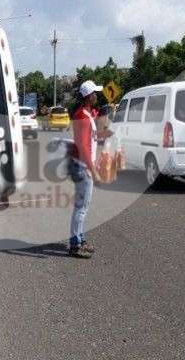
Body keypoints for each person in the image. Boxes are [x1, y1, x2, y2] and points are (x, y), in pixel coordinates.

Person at [68, 81, 113, 258]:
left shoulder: (86, 113)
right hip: (83, 167)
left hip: (84, 165)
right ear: (89, 96)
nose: (97, 96)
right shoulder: (82, 116)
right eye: (95, 93)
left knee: (83, 206)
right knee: (81, 207)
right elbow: (83, 146)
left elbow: (94, 137)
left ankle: (79, 238)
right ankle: (75, 245)